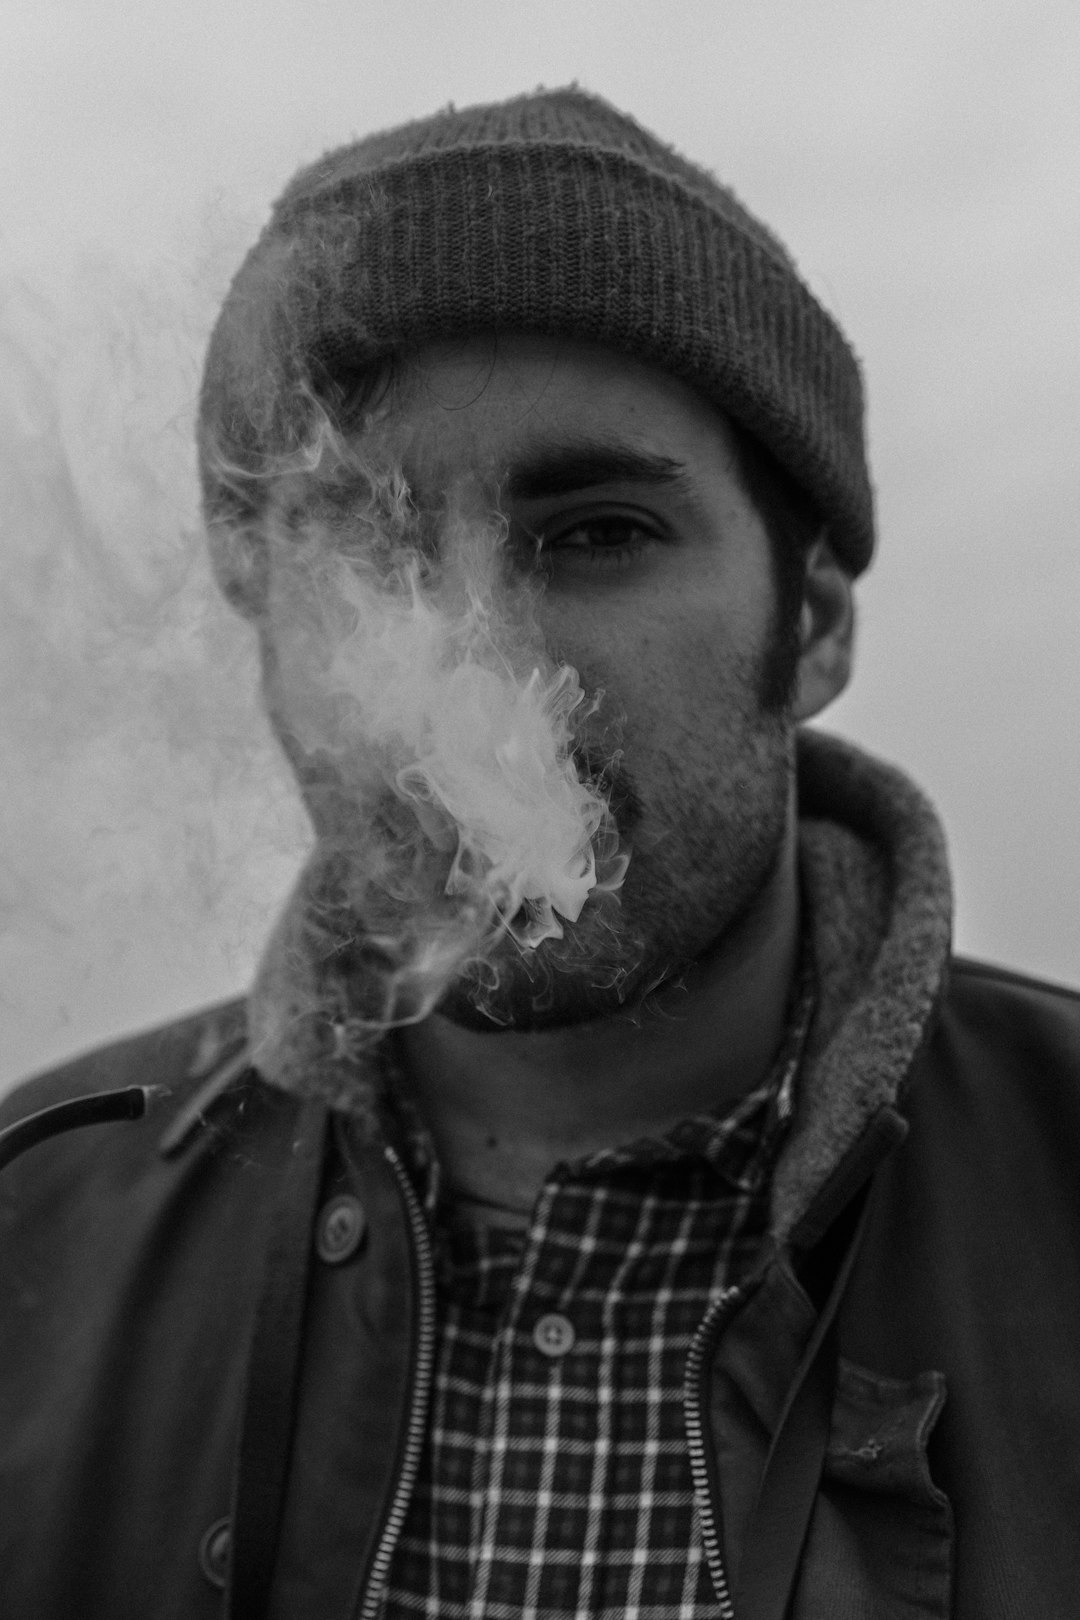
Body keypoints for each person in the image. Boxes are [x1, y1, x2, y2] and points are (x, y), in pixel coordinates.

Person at [2, 87, 1079, 1620]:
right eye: (367, 553)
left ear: (817, 618)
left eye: (595, 534)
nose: (474, 674)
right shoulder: (34, 1220)